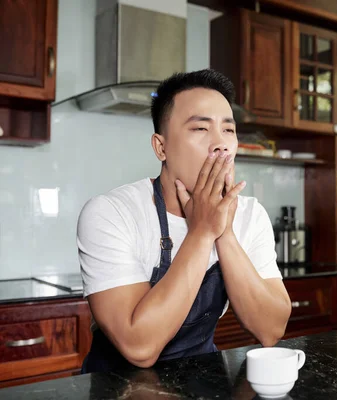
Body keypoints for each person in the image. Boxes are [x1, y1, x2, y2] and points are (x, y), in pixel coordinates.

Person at [77, 69, 292, 373]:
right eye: (200, 129)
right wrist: (202, 233)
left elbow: (271, 329)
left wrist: (225, 232)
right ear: (161, 147)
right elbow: (139, 347)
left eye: (228, 130)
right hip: (117, 387)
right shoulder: (111, 213)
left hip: (203, 380)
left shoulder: (250, 215)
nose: (221, 144)